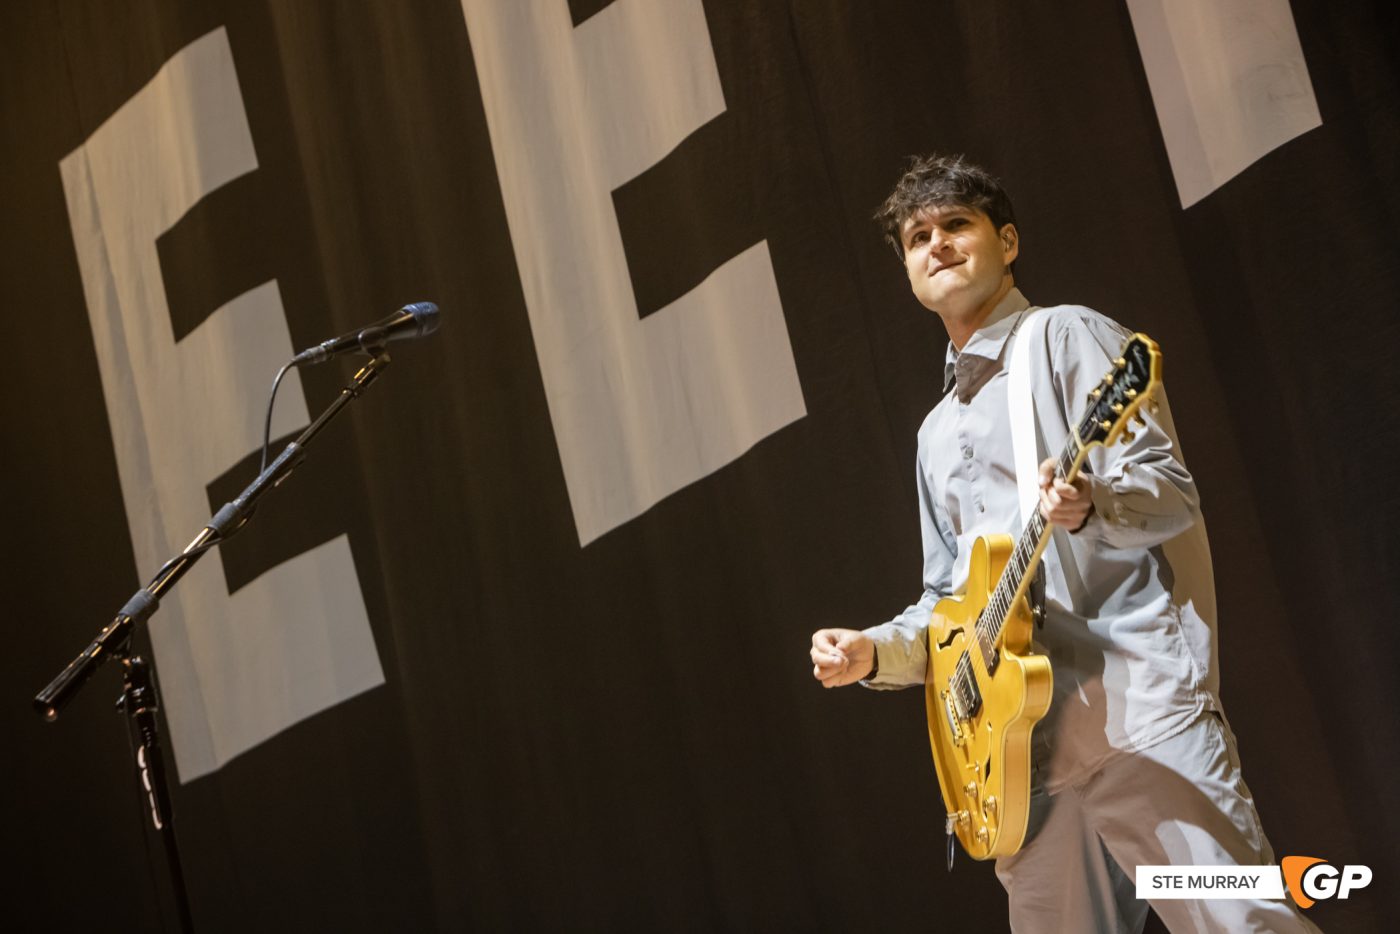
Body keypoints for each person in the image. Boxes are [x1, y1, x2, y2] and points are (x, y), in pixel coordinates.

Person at [809, 154, 1318, 932]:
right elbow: (950, 606)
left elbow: (1172, 491)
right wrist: (874, 653)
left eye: (957, 225)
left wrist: (1091, 503)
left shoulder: (1065, 335)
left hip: (1135, 718)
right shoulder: (933, 433)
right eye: (918, 237)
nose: (937, 244)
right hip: (1023, 772)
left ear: (1006, 242)